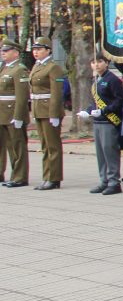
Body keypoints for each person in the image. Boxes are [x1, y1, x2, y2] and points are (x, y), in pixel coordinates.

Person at [77, 54, 123, 194]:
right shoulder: (96, 79)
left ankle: (114, 182)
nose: (96, 65)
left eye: (99, 62)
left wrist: (104, 111)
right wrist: (88, 111)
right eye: (93, 62)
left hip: (109, 121)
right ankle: (104, 180)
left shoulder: (112, 79)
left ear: (107, 63)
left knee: (110, 152)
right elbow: (95, 102)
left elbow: (119, 100)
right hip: (98, 121)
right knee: (101, 154)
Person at [29, 37, 65, 190]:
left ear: (48, 50)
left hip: (49, 110)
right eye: (34, 49)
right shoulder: (37, 65)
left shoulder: (53, 67)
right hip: (39, 110)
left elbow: (56, 93)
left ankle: (54, 178)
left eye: (39, 49)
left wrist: (54, 114)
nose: (35, 52)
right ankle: (47, 176)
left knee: (53, 146)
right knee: (45, 146)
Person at [0, 36, 30, 188]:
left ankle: (19, 177)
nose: (3, 53)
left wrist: (18, 116)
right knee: (3, 146)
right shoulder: (4, 68)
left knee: (17, 147)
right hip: (2, 113)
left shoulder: (19, 69)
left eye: (6, 50)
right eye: (2, 50)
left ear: (16, 53)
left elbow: (22, 97)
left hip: (12, 114)